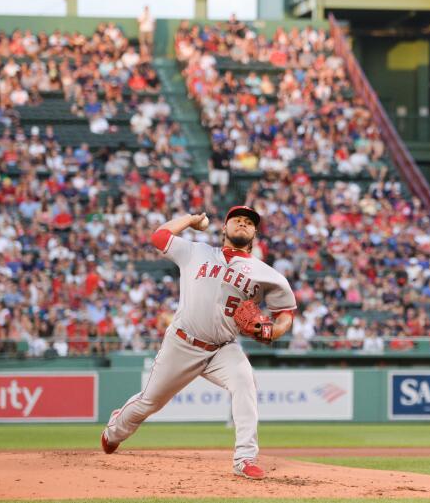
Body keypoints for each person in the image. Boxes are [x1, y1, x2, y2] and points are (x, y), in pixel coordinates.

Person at [100, 206, 296, 480]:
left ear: (254, 233)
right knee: (149, 402)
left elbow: (286, 312)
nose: (242, 223)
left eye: (248, 222)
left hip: (223, 348)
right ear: (223, 229)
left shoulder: (267, 274)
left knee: (245, 382)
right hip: (182, 343)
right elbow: (159, 236)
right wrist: (191, 220)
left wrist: (274, 331)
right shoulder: (197, 251)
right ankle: (114, 431)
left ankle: (245, 458)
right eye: (236, 220)